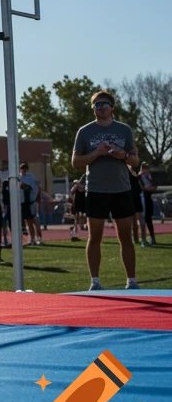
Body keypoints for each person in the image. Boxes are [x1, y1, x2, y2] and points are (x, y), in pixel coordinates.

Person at [71, 90, 138, 291]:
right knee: (95, 236)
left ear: (112, 107)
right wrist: (97, 153)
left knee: (126, 236)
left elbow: (135, 161)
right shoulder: (84, 131)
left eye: (104, 104)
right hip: (96, 190)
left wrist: (123, 155)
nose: (100, 108)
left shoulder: (124, 130)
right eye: (96, 105)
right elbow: (75, 162)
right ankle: (95, 281)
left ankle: (132, 281)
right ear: (93, 109)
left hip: (121, 189)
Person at [19, 163, 43, 246]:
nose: (23, 171)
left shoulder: (31, 178)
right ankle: (32, 239)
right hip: (24, 203)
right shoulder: (20, 177)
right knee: (28, 222)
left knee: (35, 220)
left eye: (24, 169)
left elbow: (33, 188)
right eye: (22, 169)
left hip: (31, 202)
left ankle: (39, 238)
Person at [128, 160, 147, 246]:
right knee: (133, 221)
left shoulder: (136, 174)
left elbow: (140, 183)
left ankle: (143, 239)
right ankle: (135, 238)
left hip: (137, 198)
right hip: (130, 198)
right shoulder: (126, 172)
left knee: (141, 220)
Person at [140, 162, 158, 246]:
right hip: (143, 198)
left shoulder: (150, 176)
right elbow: (143, 188)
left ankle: (152, 237)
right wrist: (147, 189)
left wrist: (151, 187)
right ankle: (143, 238)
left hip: (149, 198)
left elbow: (155, 185)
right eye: (144, 168)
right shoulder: (139, 177)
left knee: (149, 218)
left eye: (147, 168)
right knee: (144, 218)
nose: (146, 170)